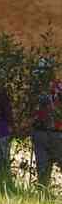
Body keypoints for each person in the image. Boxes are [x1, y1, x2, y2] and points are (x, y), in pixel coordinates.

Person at [32, 57, 62, 186]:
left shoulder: (35, 90)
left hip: (41, 133)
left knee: (43, 171)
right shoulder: (59, 87)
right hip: (56, 133)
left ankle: (43, 196)